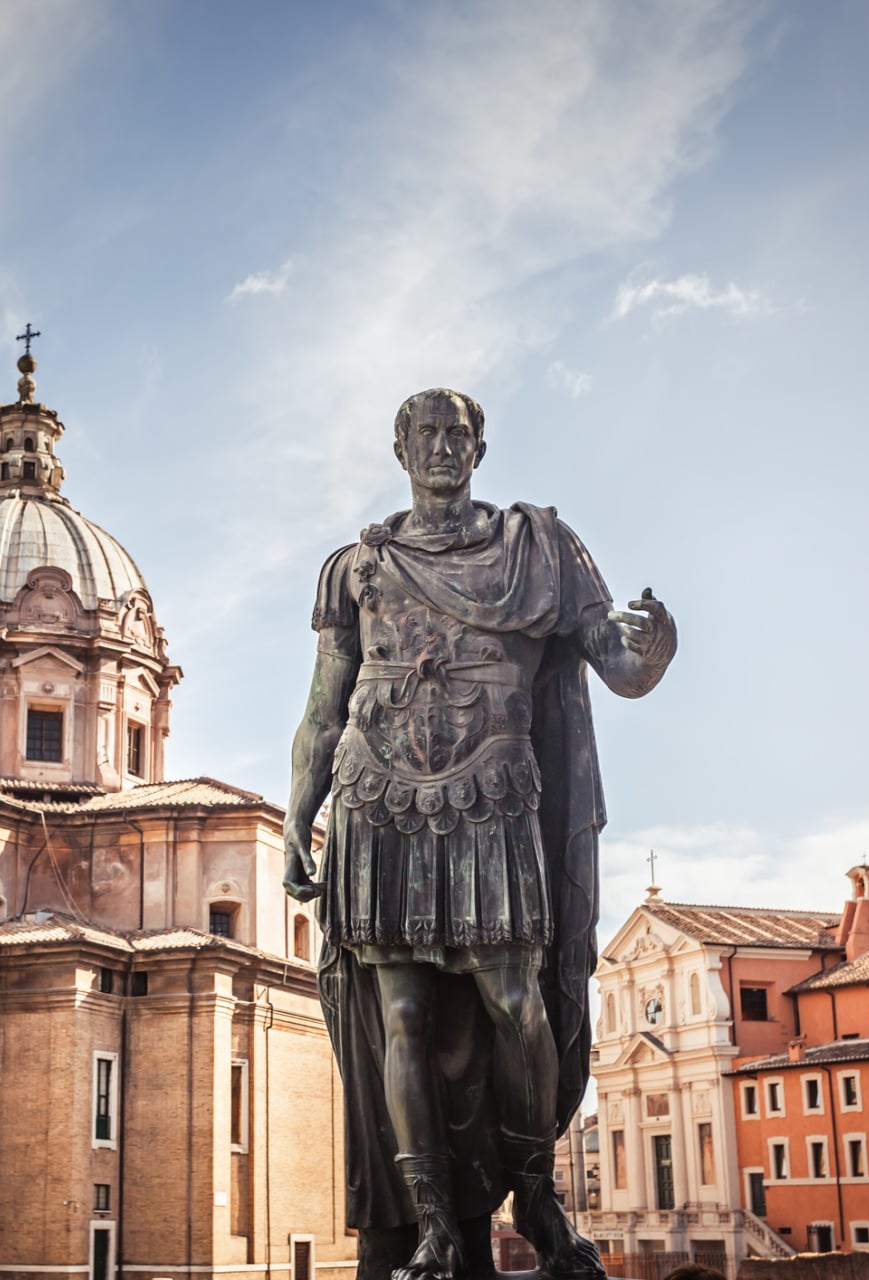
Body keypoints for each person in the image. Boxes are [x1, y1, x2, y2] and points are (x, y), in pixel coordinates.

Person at [284, 389, 675, 1280]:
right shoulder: (355, 568)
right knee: (404, 1019)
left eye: (457, 433)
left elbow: (616, 661)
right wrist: (294, 818)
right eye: (424, 433)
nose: (442, 447)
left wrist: (649, 651)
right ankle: (430, 1225)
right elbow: (322, 708)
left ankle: (534, 1194)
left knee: (516, 1001)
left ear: (480, 445)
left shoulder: (538, 550)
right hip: (377, 803)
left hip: (493, 794)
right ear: (399, 448)